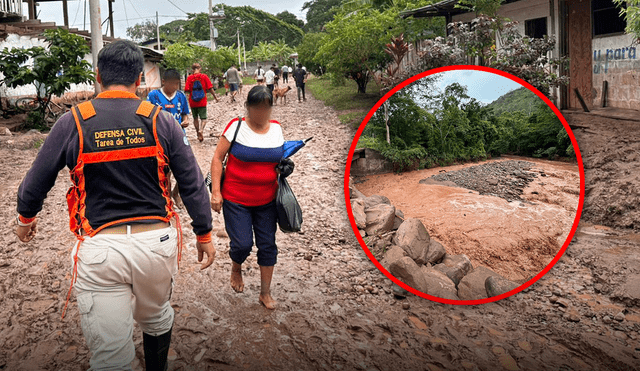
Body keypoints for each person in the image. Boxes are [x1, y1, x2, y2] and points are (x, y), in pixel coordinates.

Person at [14, 40, 216, 371]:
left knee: (110, 355)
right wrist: (204, 233)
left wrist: (25, 218)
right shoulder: (160, 120)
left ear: (97, 77)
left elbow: (37, 181)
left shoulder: (73, 122)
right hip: (157, 244)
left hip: (99, 250)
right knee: (156, 315)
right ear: (139, 78)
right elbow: (192, 182)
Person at [210, 85, 284, 310]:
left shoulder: (277, 129)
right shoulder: (236, 126)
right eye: (257, 108)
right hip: (236, 199)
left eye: (266, 108)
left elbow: (278, 161)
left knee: (268, 245)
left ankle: (265, 293)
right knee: (242, 244)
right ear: (248, 108)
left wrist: (285, 167)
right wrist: (216, 192)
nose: (261, 113)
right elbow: (217, 159)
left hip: (267, 200)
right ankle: (236, 267)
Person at [147, 68, 191, 207]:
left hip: (179, 136)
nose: (174, 87)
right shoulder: (153, 96)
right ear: (164, 82)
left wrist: (186, 120)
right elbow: (147, 116)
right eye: (172, 84)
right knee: (165, 171)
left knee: (186, 169)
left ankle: (176, 193)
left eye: (177, 84)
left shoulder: (180, 96)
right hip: (160, 138)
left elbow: (185, 113)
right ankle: (167, 199)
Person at [185, 63, 219, 142]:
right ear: (199, 68)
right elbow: (210, 88)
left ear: (192, 69)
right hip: (202, 101)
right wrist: (215, 97)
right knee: (203, 119)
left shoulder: (189, 78)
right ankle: (201, 130)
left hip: (192, 101)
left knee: (195, 118)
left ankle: (198, 134)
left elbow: (187, 90)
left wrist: (186, 102)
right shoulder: (204, 76)